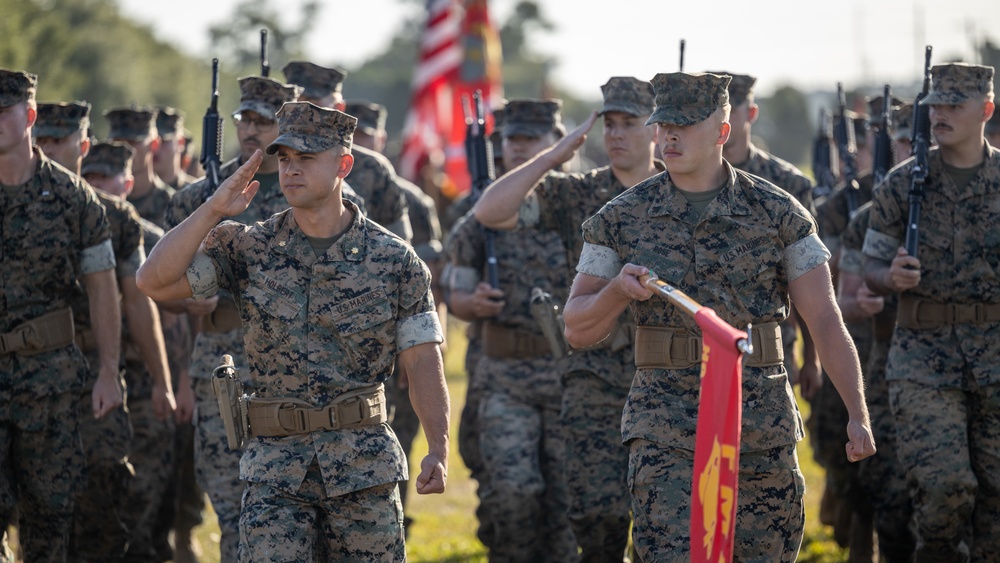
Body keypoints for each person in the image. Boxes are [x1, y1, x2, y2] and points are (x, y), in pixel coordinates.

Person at [563, 72, 875, 561]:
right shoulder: (618, 218)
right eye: (663, 124)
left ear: (723, 132)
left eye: (684, 125)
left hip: (758, 425)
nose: (669, 136)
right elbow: (576, 325)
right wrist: (618, 292)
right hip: (665, 429)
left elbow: (825, 319)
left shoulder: (779, 214)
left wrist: (857, 413)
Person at [137, 101, 450, 562]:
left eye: (306, 158)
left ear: (344, 164)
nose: (290, 170)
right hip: (275, 473)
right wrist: (213, 209)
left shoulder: (394, 260)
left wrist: (438, 448)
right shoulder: (248, 246)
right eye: (283, 158)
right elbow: (153, 281)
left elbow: (424, 359)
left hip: (362, 469)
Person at [474, 76, 662, 562]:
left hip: (667, 376)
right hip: (593, 376)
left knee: (662, 522)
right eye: (609, 124)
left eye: (629, 123)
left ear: (656, 130)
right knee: (597, 519)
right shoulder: (576, 192)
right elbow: (491, 211)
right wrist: (554, 156)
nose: (616, 135)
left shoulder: (677, 192)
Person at [863, 62, 1000, 562]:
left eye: (952, 105)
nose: (938, 115)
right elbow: (870, 265)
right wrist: (889, 276)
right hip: (923, 360)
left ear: (985, 110)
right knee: (944, 489)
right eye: (934, 105)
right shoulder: (903, 186)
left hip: (994, 358)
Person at [164, 73, 302, 562]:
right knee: (230, 508)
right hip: (220, 373)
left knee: (289, 514)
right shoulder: (198, 198)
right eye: (244, 118)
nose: (251, 129)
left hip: (289, 377)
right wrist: (188, 301)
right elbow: (161, 284)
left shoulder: (302, 195)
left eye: (263, 121)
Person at [36, 102, 179, 561]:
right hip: (33, 376)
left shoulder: (118, 218)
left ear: (79, 144)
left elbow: (139, 303)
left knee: (107, 503)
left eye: (59, 141)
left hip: (100, 372)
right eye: (44, 140)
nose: (50, 150)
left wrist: (161, 381)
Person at [447, 98, 577, 562]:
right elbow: (454, 294)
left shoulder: (580, 203)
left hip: (571, 375)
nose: (519, 150)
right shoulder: (481, 210)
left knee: (569, 504)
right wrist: (472, 303)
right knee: (512, 493)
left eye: (532, 141)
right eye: (511, 140)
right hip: (505, 375)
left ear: (557, 145)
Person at [0, 68, 122, 562]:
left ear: (28, 115)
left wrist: (110, 372)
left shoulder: (75, 198)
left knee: (49, 520)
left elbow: (103, 290)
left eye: (2, 113)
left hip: (48, 383)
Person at [345, 98, 445, 529]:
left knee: (397, 437)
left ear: (382, 139)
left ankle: (395, 516)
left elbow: (425, 277)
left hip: (393, 342)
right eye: (357, 134)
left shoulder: (410, 201)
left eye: (370, 135)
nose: (365, 143)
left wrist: (419, 343)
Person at [837, 200, 916, 562]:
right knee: (886, 484)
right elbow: (843, 302)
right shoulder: (870, 218)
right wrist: (865, 299)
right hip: (881, 361)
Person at [282, 61, 411, 241]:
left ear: (339, 108)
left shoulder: (372, 168)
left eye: (313, 104)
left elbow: (398, 243)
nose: (301, 113)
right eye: (295, 103)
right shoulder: (264, 160)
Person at [105, 106, 174, 229]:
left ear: (154, 144)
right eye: (118, 142)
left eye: (133, 142)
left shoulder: (173, 206)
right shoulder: (102, 202)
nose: (125, 150)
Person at [153, 106, 196, 190]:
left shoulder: (197, 193)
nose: (156, 147)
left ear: (180, 142)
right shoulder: (131, 191)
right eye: (153, 141)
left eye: (163, 141)